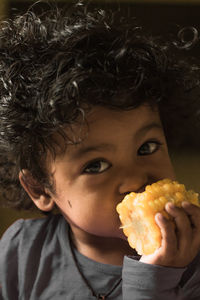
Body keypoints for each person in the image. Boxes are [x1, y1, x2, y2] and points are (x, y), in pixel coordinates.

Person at [0, 2, 200, 299]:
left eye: (147, 146)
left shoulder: (191, 259)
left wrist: (155, 280)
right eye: (95, 165)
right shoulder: (23, 252)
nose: (134, 180)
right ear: (40, 188)